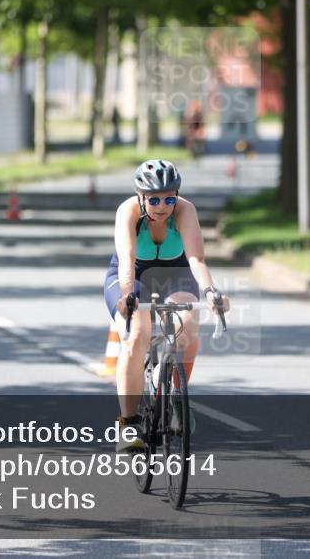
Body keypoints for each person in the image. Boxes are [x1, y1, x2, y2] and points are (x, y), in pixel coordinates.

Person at [103, 160, 229, 452]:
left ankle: (174, 399)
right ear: (141, 197)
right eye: (154, 199)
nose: (162, 206)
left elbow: (196, 260)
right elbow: (126, 260)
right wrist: (127, 296)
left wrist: (210, 291)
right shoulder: (128, 212)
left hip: (176, 274)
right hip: (131, 275)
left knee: (188, 329)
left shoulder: (185, 211)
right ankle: (128, 422)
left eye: (169, 198)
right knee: (137, 335)